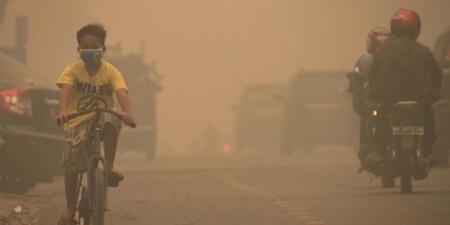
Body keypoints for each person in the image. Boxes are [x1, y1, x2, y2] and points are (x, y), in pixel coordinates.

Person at [55, 24, 135, 225]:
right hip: (77, 120)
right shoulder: (72, 70)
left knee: (111, 118)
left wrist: (127, 113)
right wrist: (63, 111)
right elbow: (65, 90)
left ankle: (108, 166)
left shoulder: (111, 72)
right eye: (85, 48)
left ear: (103, 49)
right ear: (79, 50)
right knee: (72, 163)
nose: (90, 52)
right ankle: (70, 206)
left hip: (102, 117)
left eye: (95, 47)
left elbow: (121, 93)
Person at [368, 8, 442, 161]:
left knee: (379, 118)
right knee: (429, 116)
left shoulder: (382, 50)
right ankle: (427, 151)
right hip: (419, 101)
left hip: (389, 101)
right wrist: (434, 93)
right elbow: (436, 76)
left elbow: (373, 76)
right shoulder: (424, 51)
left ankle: (381, 151)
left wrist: (374, 94)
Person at [347, 27, 390, 169]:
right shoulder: (399, 57)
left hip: (379, 101)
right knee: (368, 120)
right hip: (381, 101)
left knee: (367, 120)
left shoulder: (365, 60)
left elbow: (355, 80)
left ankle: (367, 150)